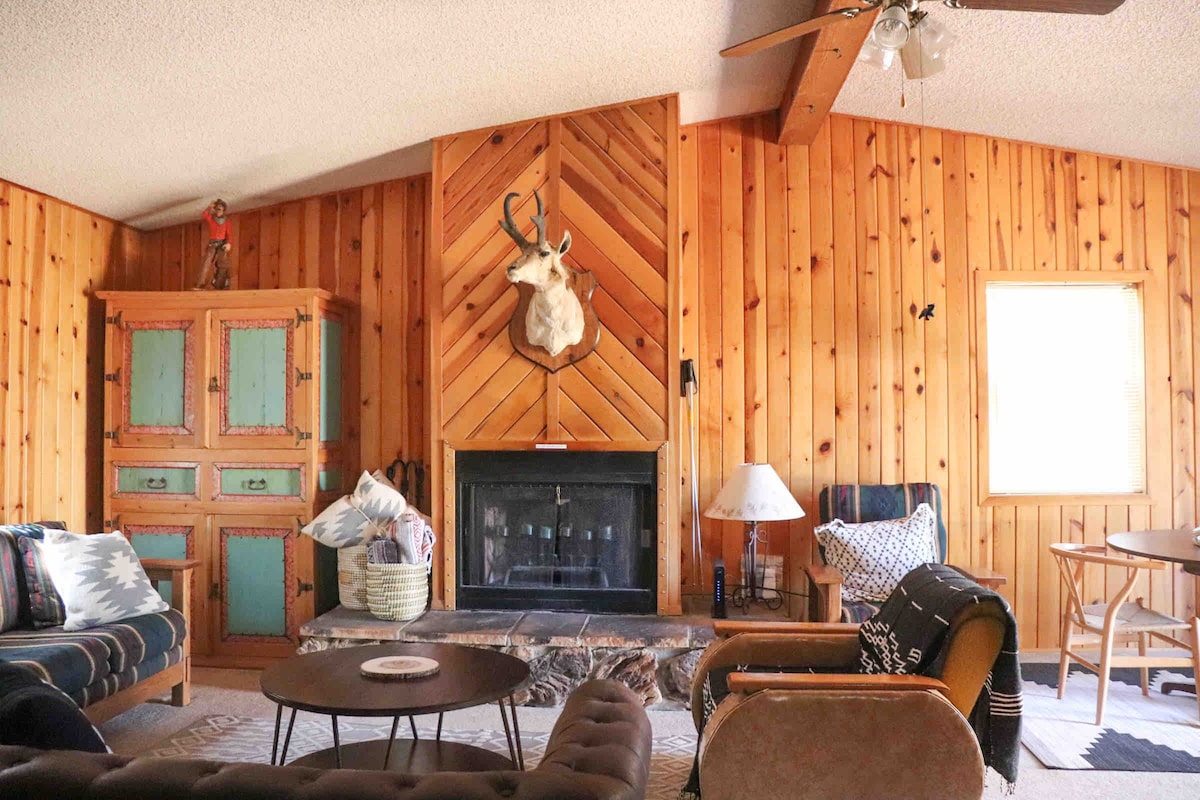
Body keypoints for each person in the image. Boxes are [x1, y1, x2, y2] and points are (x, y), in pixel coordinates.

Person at [194, 199, 233, 289]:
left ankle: (219, 285)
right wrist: (210, 206)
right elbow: (204, 214)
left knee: (222, 264)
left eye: (221, 208)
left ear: (223, 209)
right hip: (212, 244)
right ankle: (200, 284)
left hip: (222, 244)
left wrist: (229, 243)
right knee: (206, 263)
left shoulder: (227, 221)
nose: (218, 209)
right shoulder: (211, 218)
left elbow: (229, 234)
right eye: (217, 208)